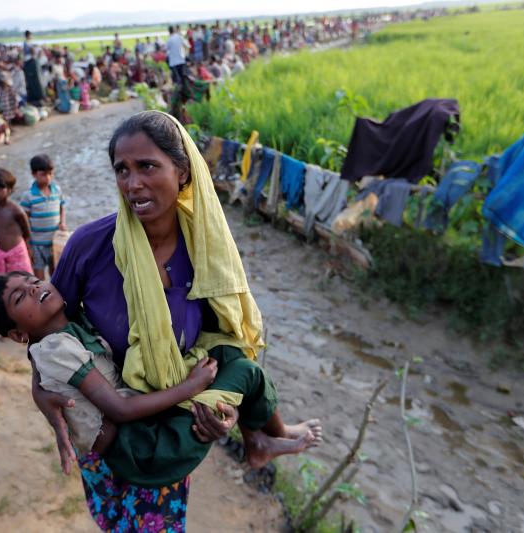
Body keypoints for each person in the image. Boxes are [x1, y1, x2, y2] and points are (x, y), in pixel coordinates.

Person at [33, 111, 322, 530]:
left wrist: (226, 415)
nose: (133, 184)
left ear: (183, 172)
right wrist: (41, 394)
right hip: (107, 426)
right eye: (122, 170)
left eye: (147, 166)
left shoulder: (206, 250)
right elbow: (46, 332)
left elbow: (221, 342)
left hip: (173, 420)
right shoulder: (90, 248)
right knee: (116, 520)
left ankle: (258, 439)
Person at [0, 269, 316, 461]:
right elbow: (118, 409)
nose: (34, 289)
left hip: (140, 427)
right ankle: (263, 439)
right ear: (18, 333)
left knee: (229, 354)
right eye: (20, 297)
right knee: (245, 372)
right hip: (141, 447)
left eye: (33, 280)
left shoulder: (67, 319)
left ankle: (260, 437)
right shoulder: (55, 346)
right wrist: (190, 387)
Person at [20, 154, 67, 279]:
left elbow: (62, 207)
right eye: (43, 174)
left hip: (54, 242)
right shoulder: (28, 196)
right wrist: (27, 244)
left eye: (50, 174)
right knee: (39, 279)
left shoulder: (57, 190)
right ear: (34, 174)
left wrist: (62, 222)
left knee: (56, 274)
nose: (48, 178)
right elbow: (24, 221)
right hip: (37, 245)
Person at [0, 167, 33, 275]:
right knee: (3, 283)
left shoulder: (17, 211)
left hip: (17, 251)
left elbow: (27, 232)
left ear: (10, 189)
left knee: (23, 280)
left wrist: (29, 250)